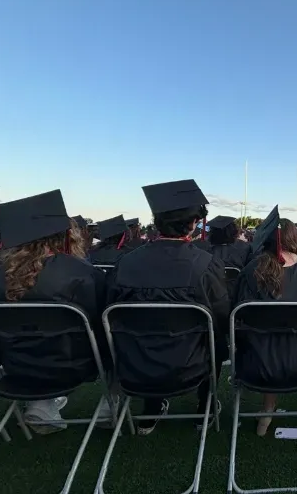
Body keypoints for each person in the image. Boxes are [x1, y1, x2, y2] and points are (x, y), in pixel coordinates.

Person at [0, 189, 107, 433]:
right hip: (74, 366)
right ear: (64, 235)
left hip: (13, 365)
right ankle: (111, 406)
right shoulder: (82, 272)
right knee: (110, 332)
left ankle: (42, 402)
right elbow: (98, 323)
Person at [108, 179, 229, 435]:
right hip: (190, 366)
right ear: (192, 224)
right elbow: (219, 319)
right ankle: (204, 407)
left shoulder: (126, 263)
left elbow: (111, 315)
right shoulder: (205, 264)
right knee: (215, 338)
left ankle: (150, 410)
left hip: (134, 366)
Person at [233, 207, 297, 435]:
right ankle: (268, 408)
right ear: (294, 238)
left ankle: (267, 410)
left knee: (267, 338)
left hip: (256, 365)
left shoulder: (250, 270)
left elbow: (236, 319)